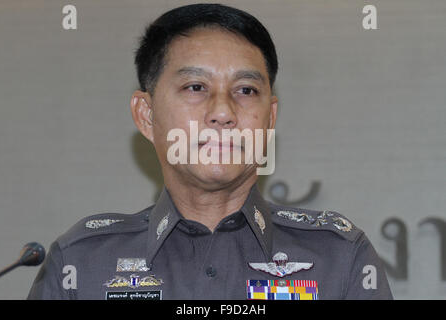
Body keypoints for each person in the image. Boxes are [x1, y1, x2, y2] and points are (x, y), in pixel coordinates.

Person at [27, 3, 392, 300]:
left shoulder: (339, 259)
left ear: (270, 117)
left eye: (246, 90)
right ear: (146, 114)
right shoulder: (81, 263)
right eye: (196, 86)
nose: (222, 112)